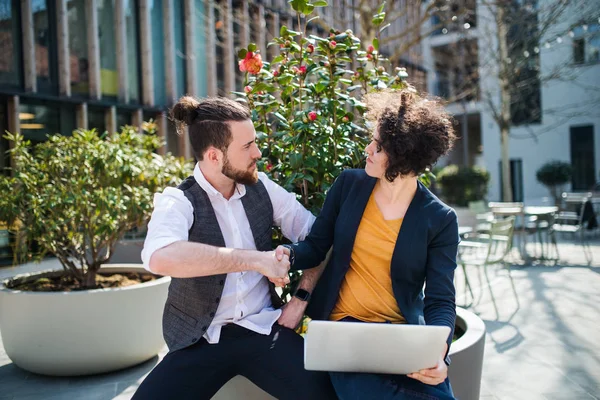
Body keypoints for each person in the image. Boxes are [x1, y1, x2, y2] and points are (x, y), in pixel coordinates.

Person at [133, 96, 335, 400]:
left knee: (330, 395)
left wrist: (300, 299)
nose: (257, 152)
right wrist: (257, 261)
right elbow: (160, 257)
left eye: (254, 142)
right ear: (214, 156)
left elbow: (319, 238)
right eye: (247, 146)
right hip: (199, 339)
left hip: (263, 329)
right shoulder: (178, 200)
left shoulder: (263, 187)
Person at [275, 90, 459, 400]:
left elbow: (440, 300)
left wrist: (438, 354)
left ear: (403, 156)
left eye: (379, 145)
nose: (368, 149)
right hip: (343, 329)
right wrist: (287, 255)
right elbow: (317, 246)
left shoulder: (439, 219)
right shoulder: (348, 185)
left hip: (402, 334)